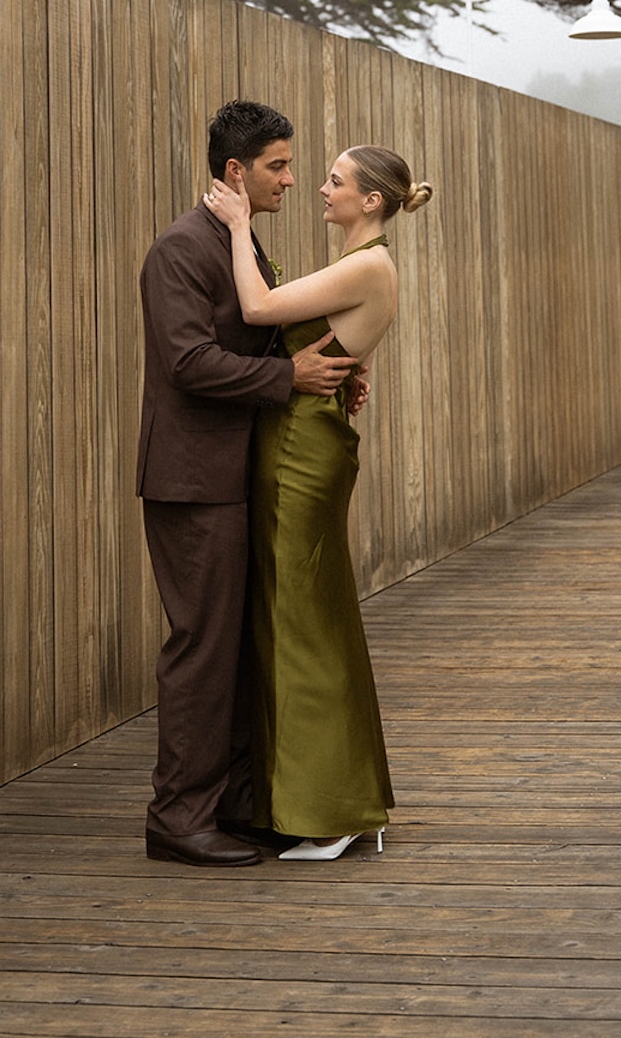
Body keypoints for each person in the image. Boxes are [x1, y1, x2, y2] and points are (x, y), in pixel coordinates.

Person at [136, 99, 358, 868]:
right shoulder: (179, 251)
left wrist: (332, 371)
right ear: (236, 170)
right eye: (278, 166)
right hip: (193, 483)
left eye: (293, 165)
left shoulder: (238, 243)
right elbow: (188, 363)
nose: (292, 180)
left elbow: (265, 331)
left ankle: (233, 806)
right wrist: (285, 375)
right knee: (203, 649)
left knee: (236, 648)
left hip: (236, 478)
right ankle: (177, 818)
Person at [204, 143, 434, 860]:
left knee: (300, 622)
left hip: (300, 453)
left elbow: (258, 305)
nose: (319, 189)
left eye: (335, 181)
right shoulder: (366, 265)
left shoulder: (368, 263)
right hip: (306, 442)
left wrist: (239, 225)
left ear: (371, 201)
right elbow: (329, 341)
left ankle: (331, 813)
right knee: (314, 618)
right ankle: (347, 799)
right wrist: (352, 366)